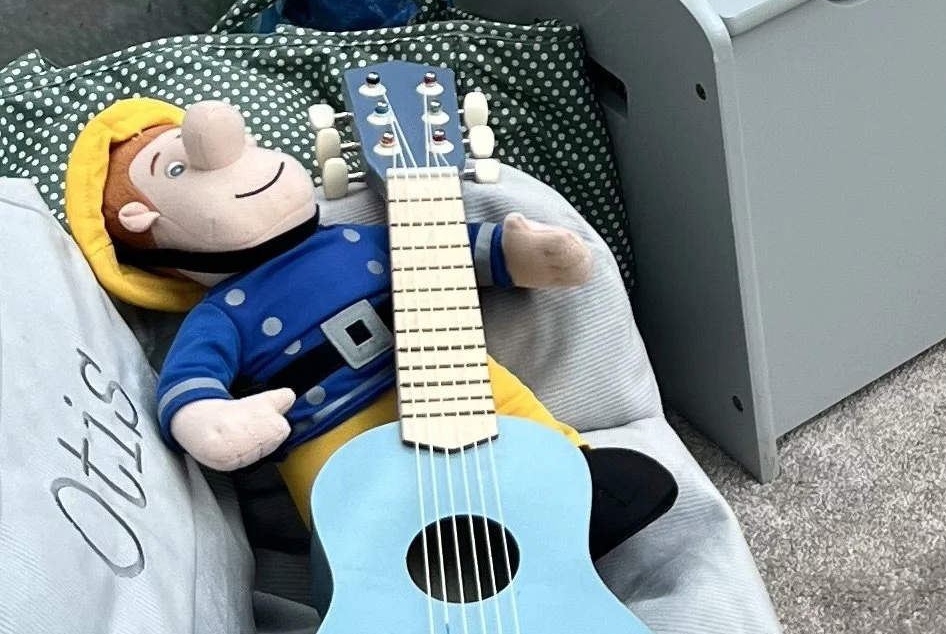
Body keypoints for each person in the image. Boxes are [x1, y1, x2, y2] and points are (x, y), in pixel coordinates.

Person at [98, 98, 590, 473]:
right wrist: (210, 419)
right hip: (328, 427)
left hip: (435, 364)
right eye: (178, 169)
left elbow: (440, 245)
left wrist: (510, 251)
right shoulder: (218, 315)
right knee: (352, 510)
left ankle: (579, 477)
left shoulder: (355, 239)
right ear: (140, 222)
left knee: (499, 397)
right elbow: (188, 380)